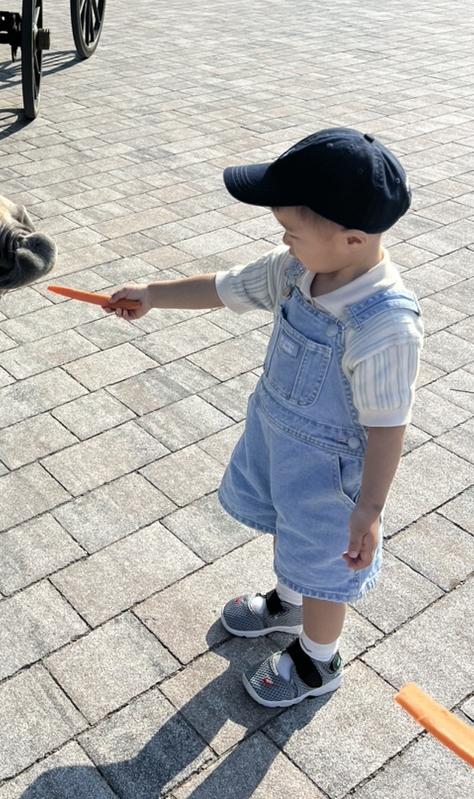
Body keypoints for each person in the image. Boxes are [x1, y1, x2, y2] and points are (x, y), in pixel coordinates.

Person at [107, 128, 423, 708]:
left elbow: (388, 425)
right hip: (280, 441)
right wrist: (153, 293)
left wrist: (370, 509)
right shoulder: (296, 269)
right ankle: (288, 603)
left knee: (326, 565)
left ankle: (316, 660)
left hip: (333, 477)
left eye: (292, 232)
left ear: (351, 240)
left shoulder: (383, 325)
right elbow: (229, 287)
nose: (283, 240)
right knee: (290, 531)